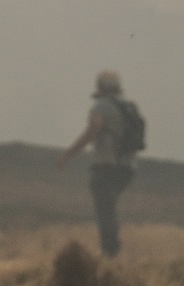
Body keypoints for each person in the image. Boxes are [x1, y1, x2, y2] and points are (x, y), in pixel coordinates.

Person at [59, 70, 141, 259]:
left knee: (105, 207)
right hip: (128, 168)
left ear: (100, 86)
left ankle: (109, 252)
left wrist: (67, 155)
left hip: (106, 165)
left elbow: (92, 131)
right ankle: (111, 249)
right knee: (109, 206)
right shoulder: (127, 106)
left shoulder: (102, 106)